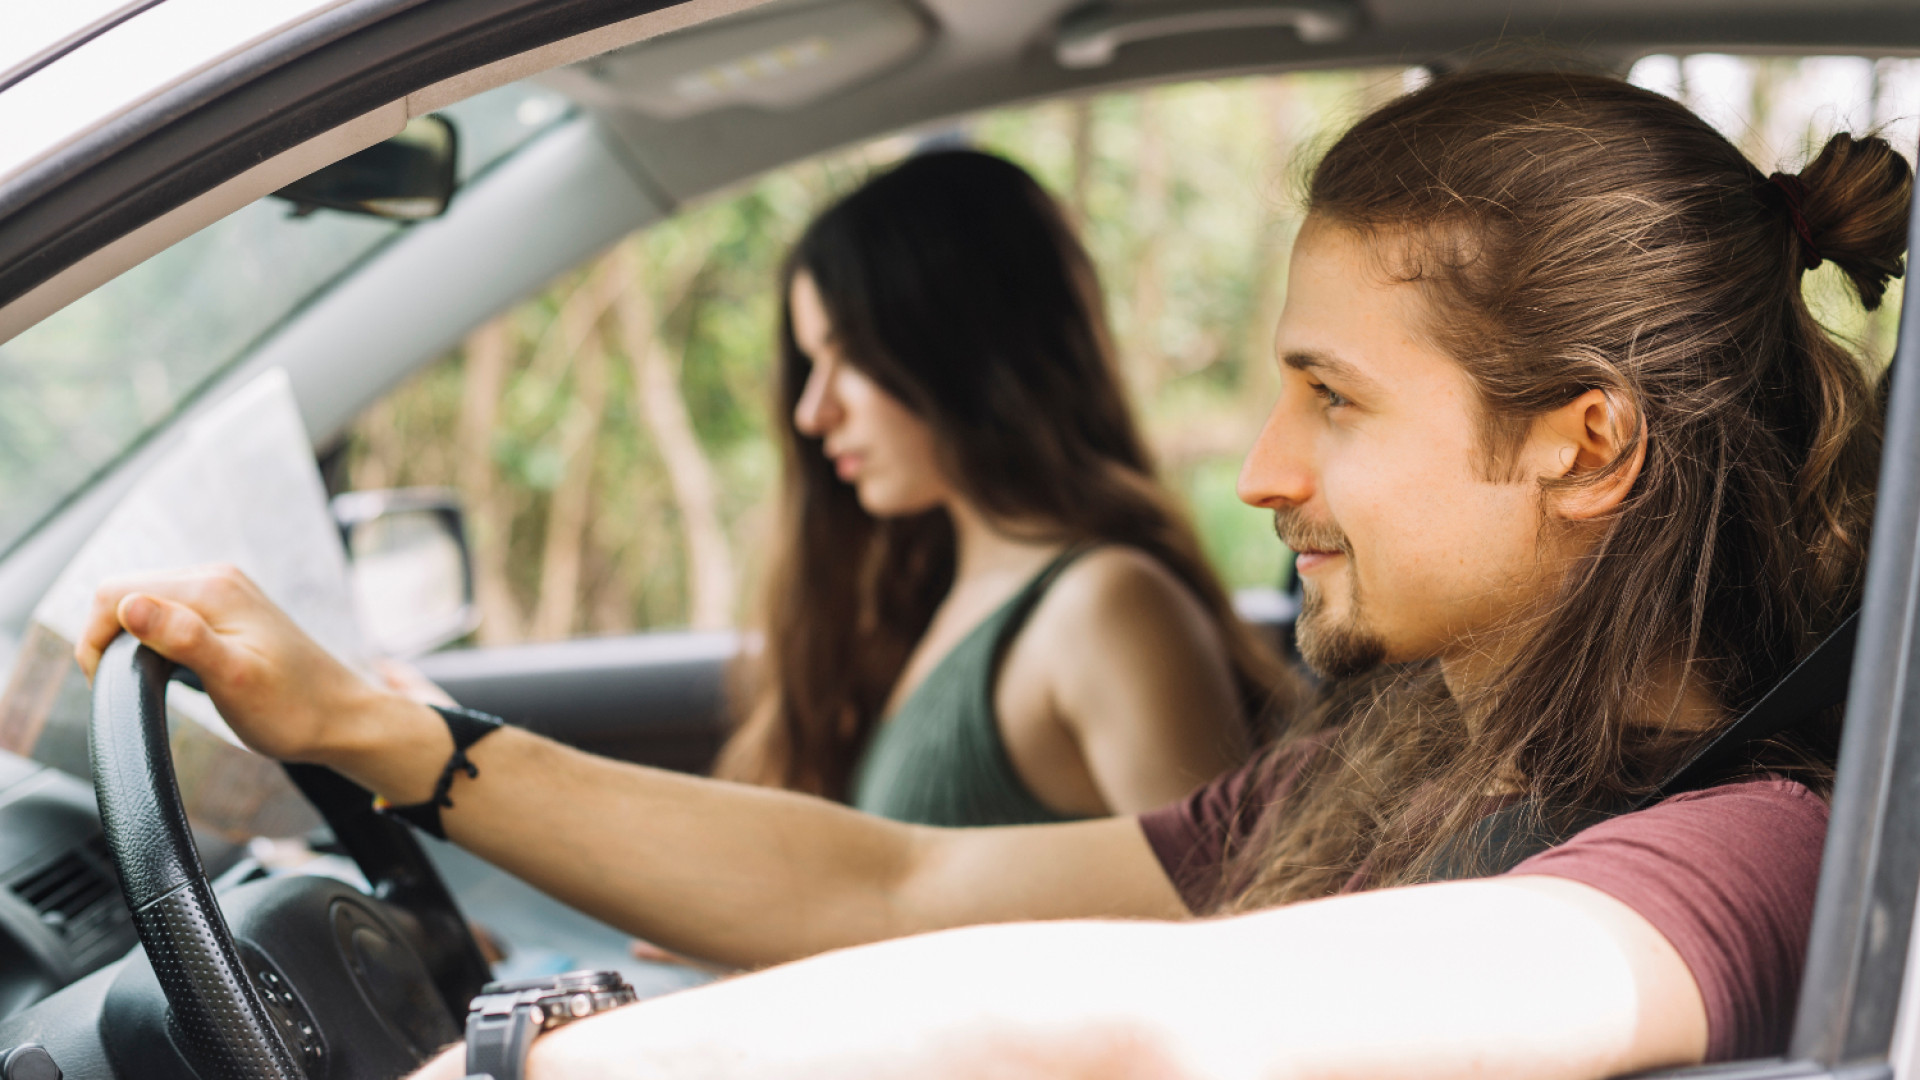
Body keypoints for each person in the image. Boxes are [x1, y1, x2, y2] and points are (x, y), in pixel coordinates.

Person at [76, 69, 1907, 1079]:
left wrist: (526, 1068)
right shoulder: (1410, 757)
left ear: (1585, 442)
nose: (1263, 474)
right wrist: (390, 738)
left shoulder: (1753, 850)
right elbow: (899, 880)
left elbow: (1169, 1022)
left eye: (1331, 401)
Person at [712, 149, 1288, 824]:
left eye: (854, 355)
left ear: (966, 349)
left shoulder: (1104, 609)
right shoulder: (931, 599)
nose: (815, 412)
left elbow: (1228, 919)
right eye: (813, 363)